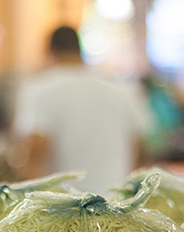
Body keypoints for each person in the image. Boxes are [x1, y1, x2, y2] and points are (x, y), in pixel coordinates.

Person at [13, 25, 150, 195]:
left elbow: (35, 151)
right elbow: (139, 147)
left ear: (50, 52)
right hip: (114, 208)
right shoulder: (121, 91)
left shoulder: (40, 90)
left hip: (63, 210)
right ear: (80, 51)